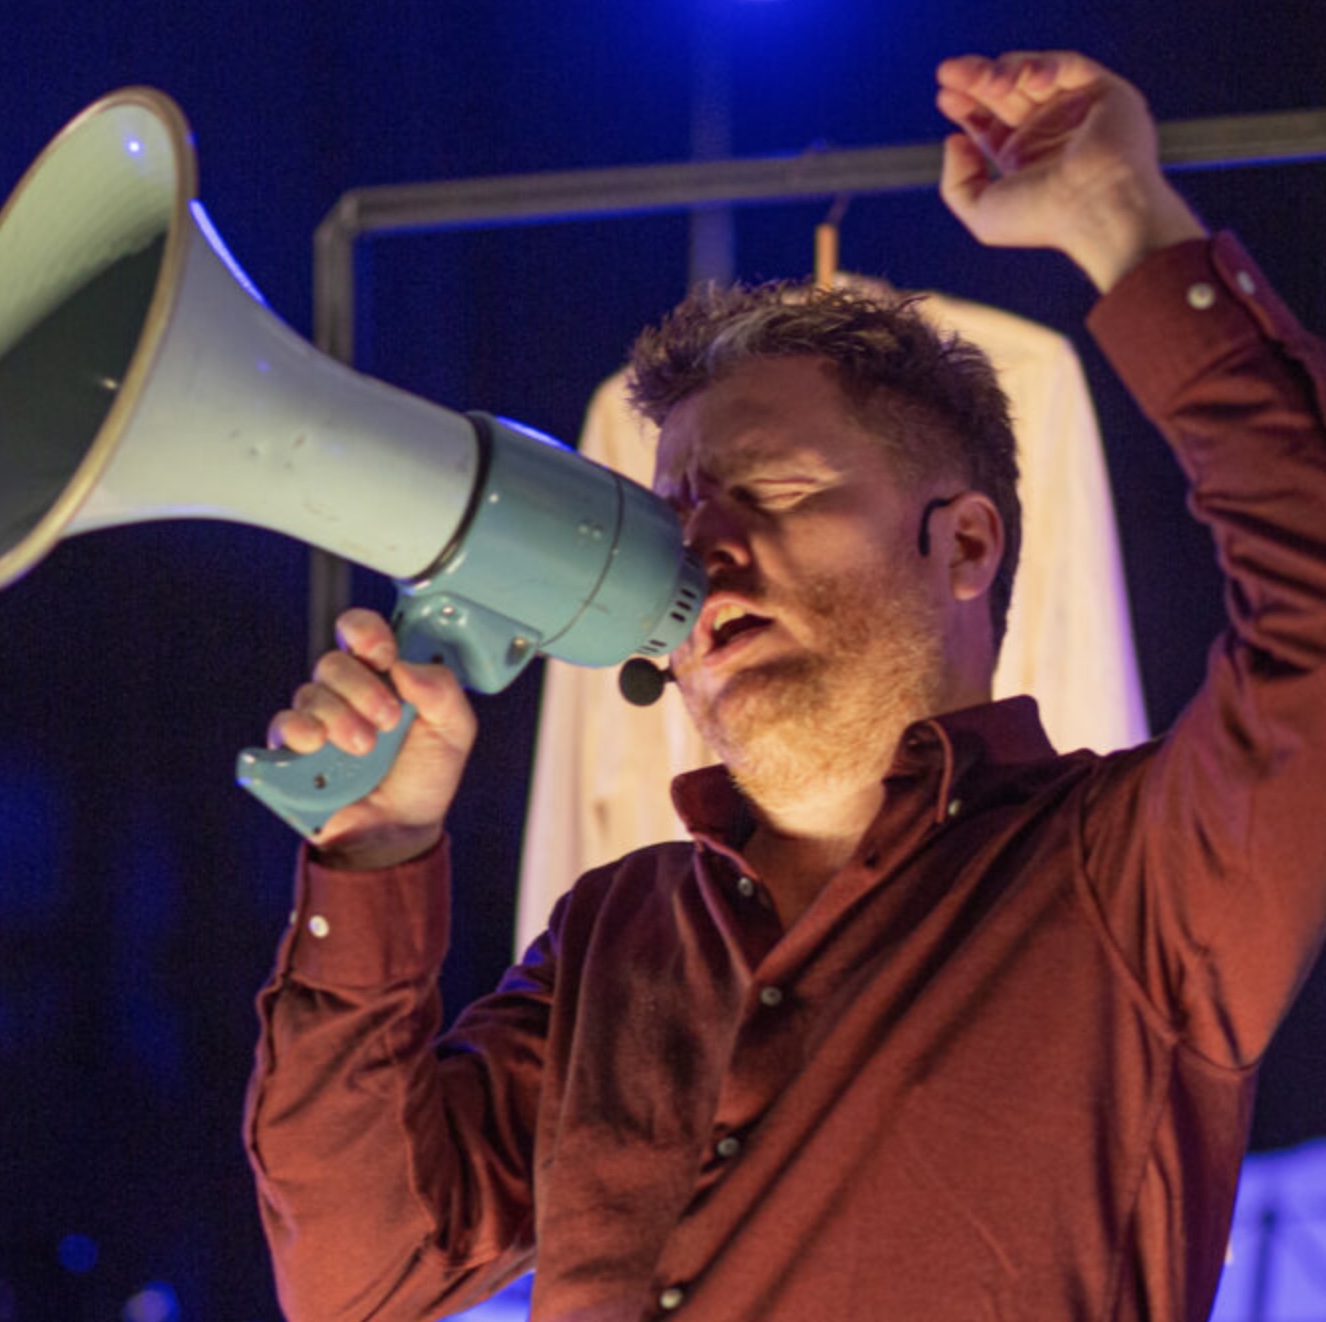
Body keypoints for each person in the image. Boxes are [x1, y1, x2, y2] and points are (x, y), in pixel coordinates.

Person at [244, 50, 1326, 1322]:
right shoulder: (615, 932)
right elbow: (360, 1275)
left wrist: (1124, 225)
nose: (703, 552)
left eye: (780, 491)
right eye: (678, 510)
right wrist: (377, 853)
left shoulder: (1131, 881)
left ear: (965, 543)